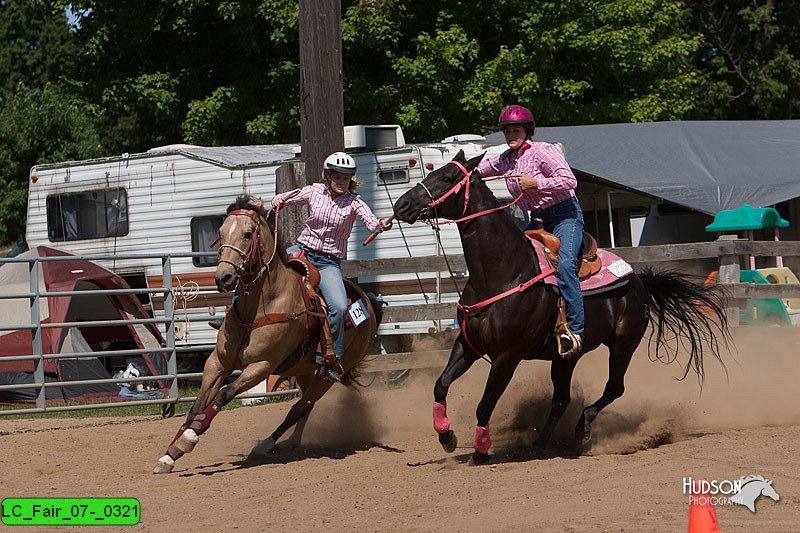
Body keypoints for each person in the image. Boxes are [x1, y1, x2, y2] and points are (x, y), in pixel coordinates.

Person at [272, 151, 392, 382]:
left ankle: (333, 356)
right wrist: (280, 199)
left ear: (351, 180)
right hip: (302, 252)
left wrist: (381, 225)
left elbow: (371, 221)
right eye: (336, 177)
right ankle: (235, 314)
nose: (341, 182)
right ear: (328, 177)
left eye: (345, 178)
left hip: (328, 263)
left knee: (338, 306)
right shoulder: (314, 191)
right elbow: (288, 197)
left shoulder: (355, 203)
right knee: (265, 271)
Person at [477, 104, 585, 357]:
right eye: (507, 131)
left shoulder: (543, 151)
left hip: (565, 215)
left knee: (566, 263)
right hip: (537, 220)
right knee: (511, 263)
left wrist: (536, 182)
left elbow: (570, 180)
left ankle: (577, 330)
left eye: (516, 130)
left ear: (527, 131)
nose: (511, 135)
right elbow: (477, 171)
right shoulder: (504, 160)